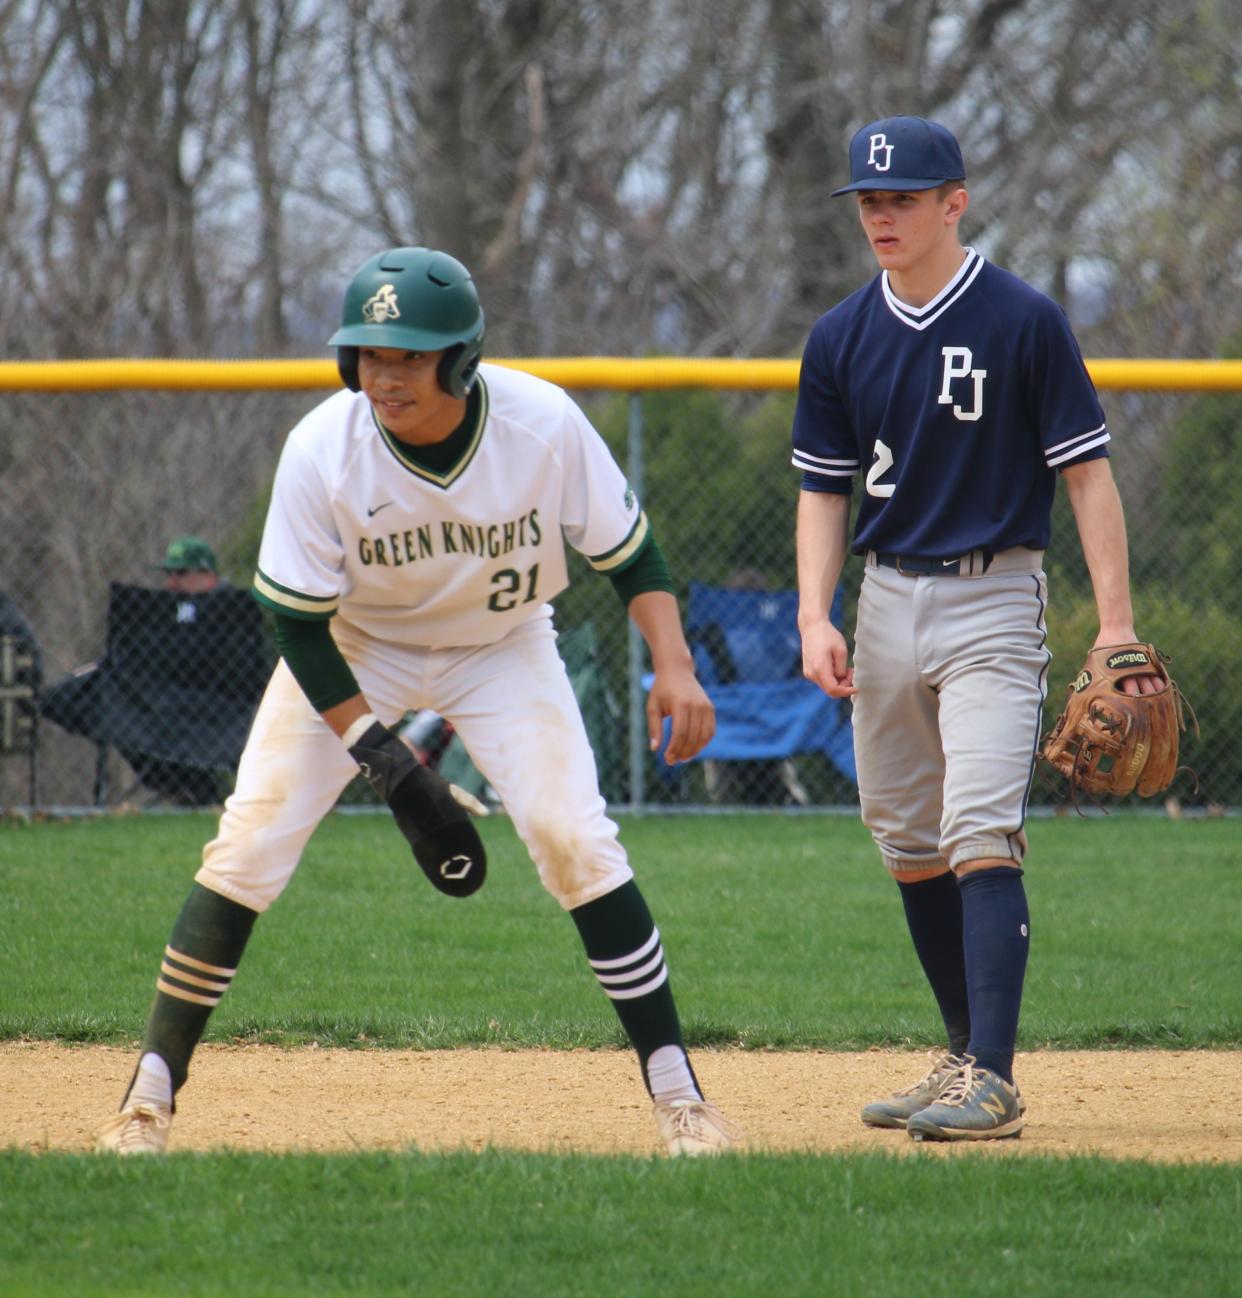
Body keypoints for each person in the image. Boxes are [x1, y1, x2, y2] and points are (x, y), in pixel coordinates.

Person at [96, 246, 739, 1157]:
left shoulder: (542, 423)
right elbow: (297, 627)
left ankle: (682, 1097)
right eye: (367, 353)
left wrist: (673, 663)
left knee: (574, 840)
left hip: (504, 644)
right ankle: (146, 1100)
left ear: (462, 360)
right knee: (249, 843)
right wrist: (387, 760)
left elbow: (629, 553)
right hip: (355, 646)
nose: (383, 375)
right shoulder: (324, 447)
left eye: (407, 355)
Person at [792, 116, 1162, 1140]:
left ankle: (992, 1075)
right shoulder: (840, 335)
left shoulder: (1022, 320)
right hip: (883, 601)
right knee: (910, 842)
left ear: (955, 201)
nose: (883, 214)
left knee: (977, 828)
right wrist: (813, 611)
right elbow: (823, 491)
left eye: (903, 197)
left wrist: (1115, 625)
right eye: (870, 199)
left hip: (997, 595)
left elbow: (1086, 474)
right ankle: (962, 1055)